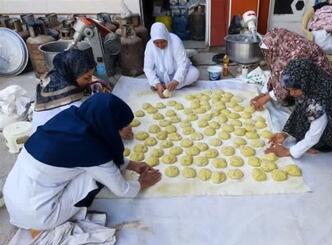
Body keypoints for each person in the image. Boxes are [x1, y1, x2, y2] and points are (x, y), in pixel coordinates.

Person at [3, 93, 161, 234]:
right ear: (109, 127)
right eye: (122, 127)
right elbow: (122, 190)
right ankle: (52, 220)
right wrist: (141, 184)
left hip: (13, 196)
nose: (127, 131)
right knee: (95, 177)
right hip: (39, 215)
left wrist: (131, 164)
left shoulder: (70, 118)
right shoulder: (92, 149)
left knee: (89, 166)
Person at [266, 59, 332, 159]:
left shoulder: (317, 101)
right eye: (289, 90)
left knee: (312, 133)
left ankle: (323, 145)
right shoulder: (313, 80)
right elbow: (300, 109)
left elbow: (315, 134)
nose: (291, 93)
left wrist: (290, 151)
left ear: (304, 83)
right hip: (328, 114)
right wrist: (286, 134)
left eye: (295, 89)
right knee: (304, 107)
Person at [251, 28, 332, 109]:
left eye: (268, 51)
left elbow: (287, 80)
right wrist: (263, 93)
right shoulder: (283, 46)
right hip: (301, 75)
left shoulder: (296, 53)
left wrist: (266, 98)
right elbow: (275, 72)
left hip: (318, 79)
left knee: (305, 104)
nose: (268, 54)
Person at [144, 22, 199, 98]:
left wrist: (176, 81)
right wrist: (157, 83)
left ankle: (167, 86)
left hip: (176, 71)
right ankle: (162, 86)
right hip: (161, 75)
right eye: (156, 43)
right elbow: (148, 68)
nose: (160, 45)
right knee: (151, 79)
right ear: (153, 41)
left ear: (166, 37)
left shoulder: (175, 41)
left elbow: (183, 64)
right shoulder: (149, 46)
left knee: (194, 73)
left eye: (163, 42)